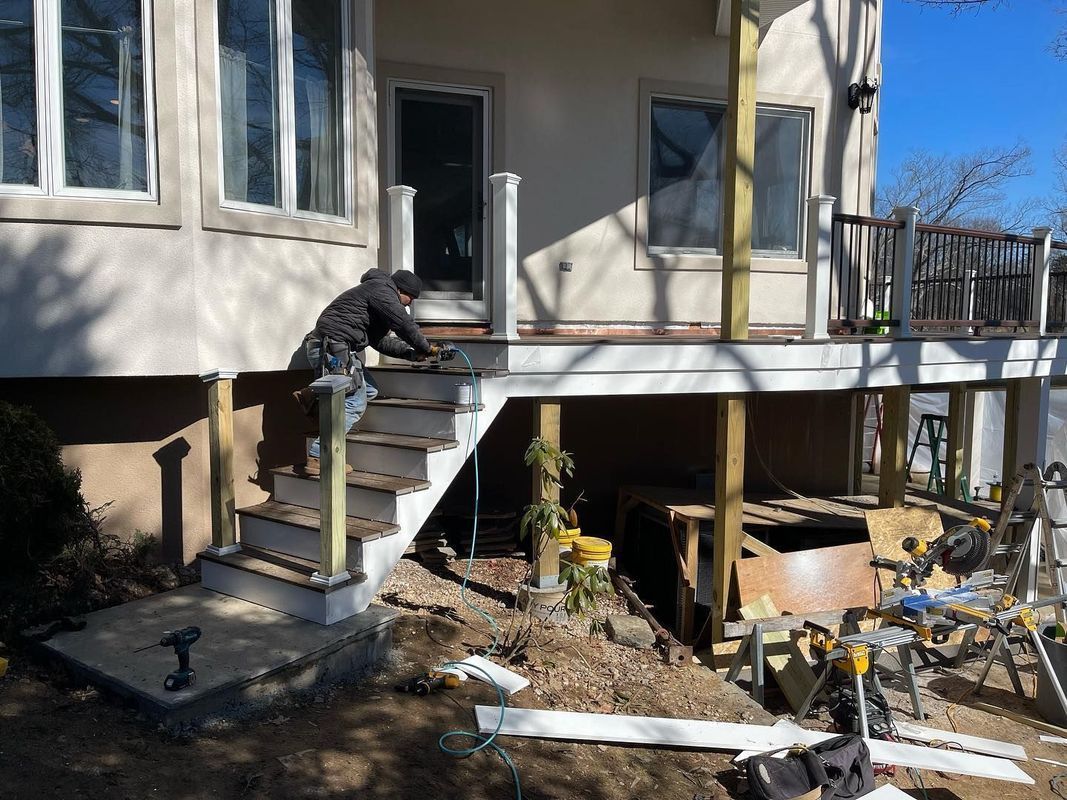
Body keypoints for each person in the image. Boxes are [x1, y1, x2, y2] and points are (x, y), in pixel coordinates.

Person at [294, 268, 436, 475]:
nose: (410, 303)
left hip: (337, 348)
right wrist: (426, 346)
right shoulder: (382, 290)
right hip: (332, 349)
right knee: (355, 401)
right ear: (400, 289)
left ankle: (312, 397)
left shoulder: (376, 295)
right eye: (410, 297)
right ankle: (319, 456)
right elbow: (403, 324)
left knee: (369, 390)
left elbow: (379, 341)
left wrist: (412, 354)